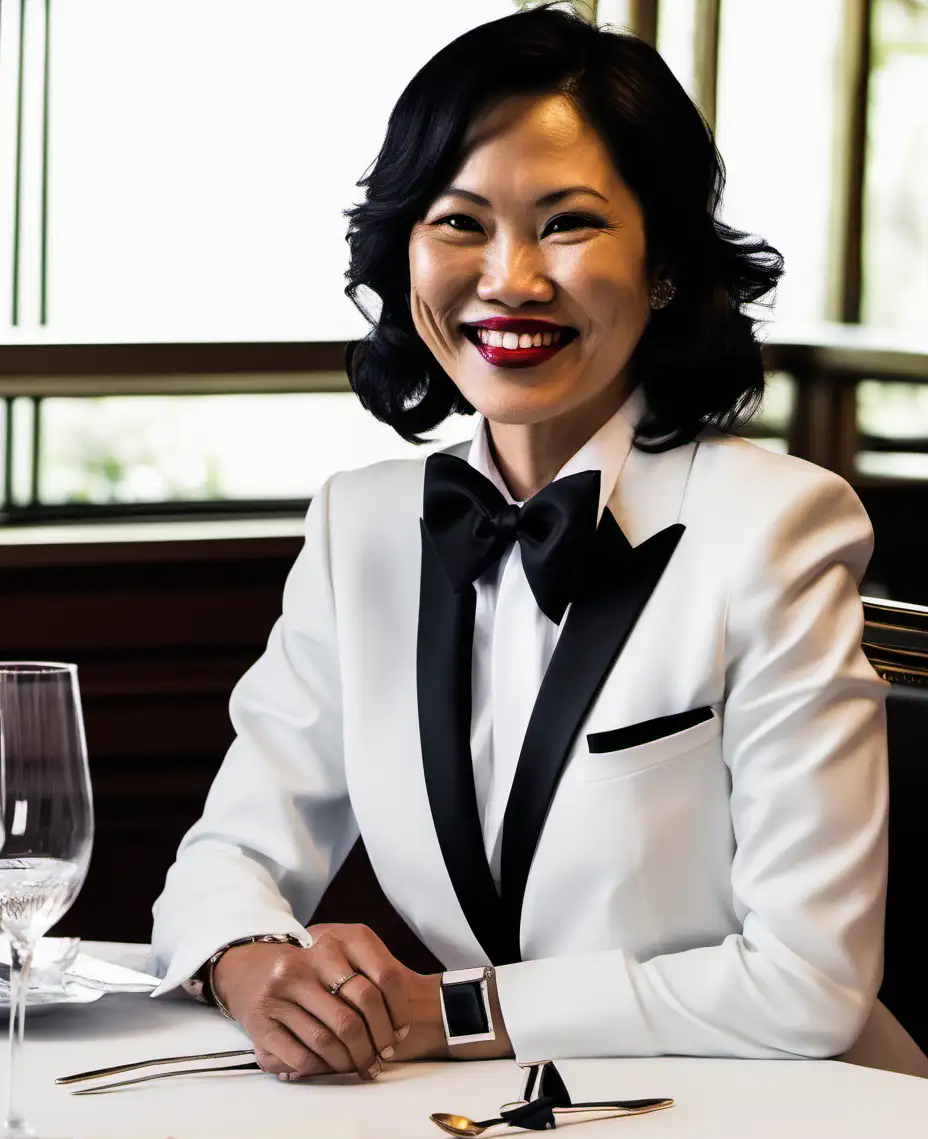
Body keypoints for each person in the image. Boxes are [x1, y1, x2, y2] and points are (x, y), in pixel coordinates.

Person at [148, 4, 921, 1082]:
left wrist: (449, 1010)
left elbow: (809, 979)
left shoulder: (777, 527)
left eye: (566, 223)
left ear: (661, 265)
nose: (509, 278)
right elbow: (226, 852)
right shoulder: (358, 527)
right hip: (519, 1121)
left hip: (794, 1129)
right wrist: (244, 958)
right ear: (404, 254)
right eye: (459, 222)